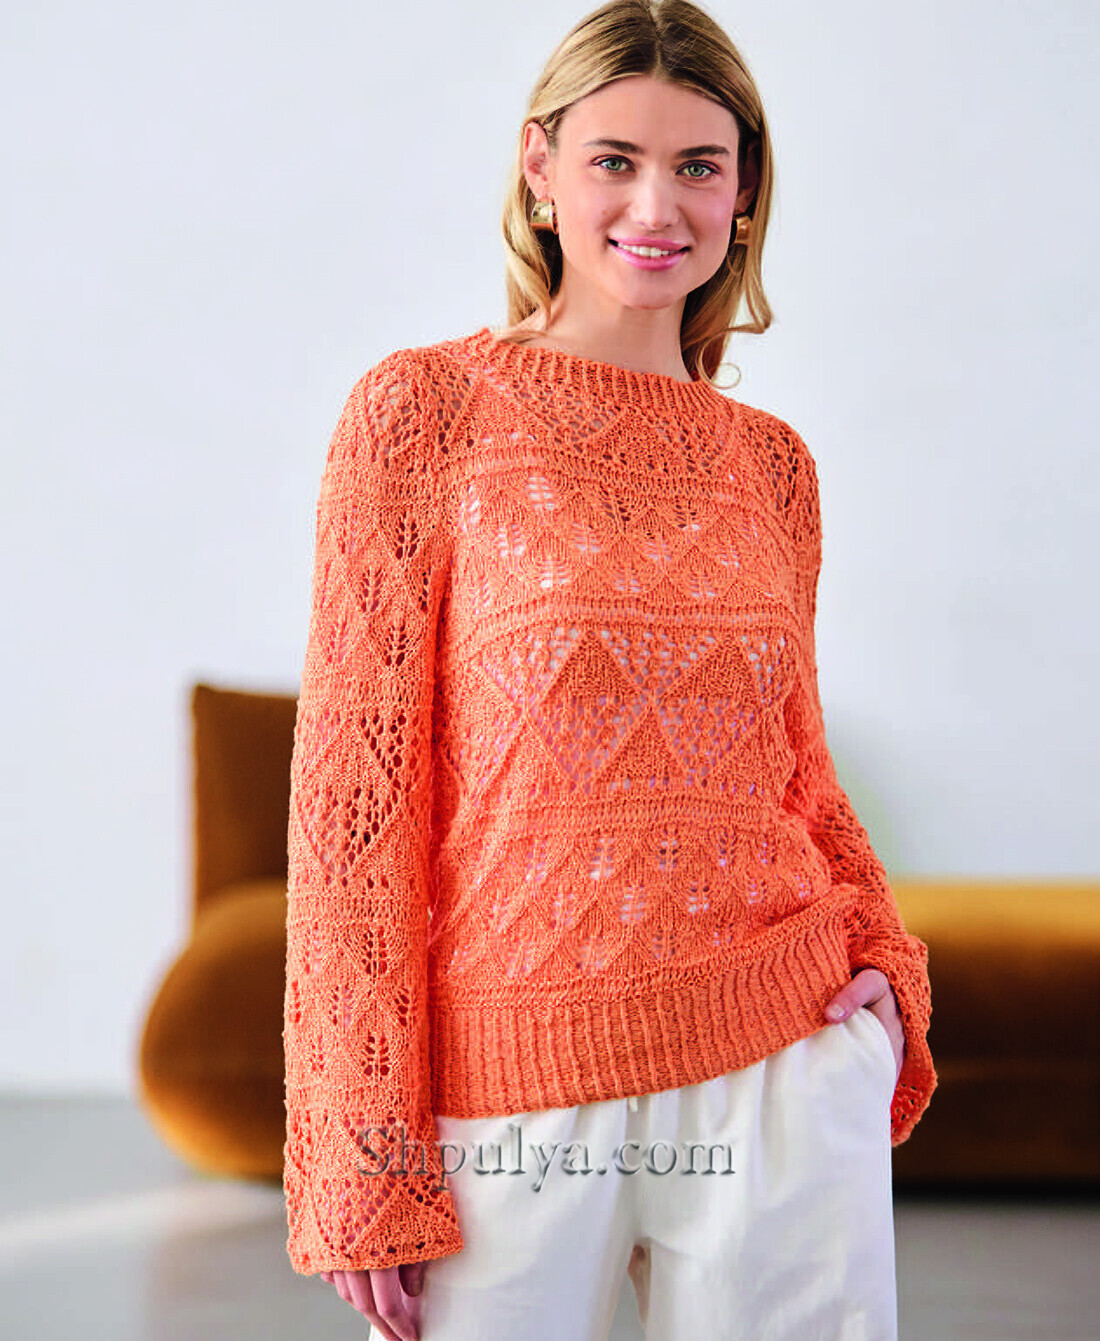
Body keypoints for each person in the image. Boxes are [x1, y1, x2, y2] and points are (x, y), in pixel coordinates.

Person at [281, 3, 937, 1338]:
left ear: (743, 193)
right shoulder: (423, 415)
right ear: (541, 168)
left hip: (780, 1064)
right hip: (510, 1097)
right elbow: (355, 808)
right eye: (615, 160)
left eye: (699, 164)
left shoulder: (773, 467)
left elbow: (796, 773)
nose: (658, 204)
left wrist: (881, 964)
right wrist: (364, 1149)